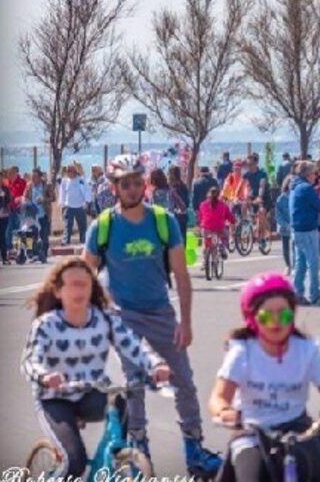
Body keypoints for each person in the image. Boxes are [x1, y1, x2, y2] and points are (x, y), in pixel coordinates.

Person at [82, 154, 222, 477]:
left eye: (137, 182)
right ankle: (139, 446)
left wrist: (185, 322)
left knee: (183, 381)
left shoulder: (163, 220)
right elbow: (82, 273)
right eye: (126, 183)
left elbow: (181, 275)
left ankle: (194, 447)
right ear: (115, 187)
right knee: (134, 383)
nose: (133, 189)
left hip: (160, 311)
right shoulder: (103, 226)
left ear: (144, 184)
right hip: (123, 315)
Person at [20, 257, 171, 478]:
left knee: (121, 401)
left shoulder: (104, 320)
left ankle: (114, 458)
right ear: (58, 291)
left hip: (90, 392)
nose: (79, 290)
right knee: (75, 461)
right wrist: (44, 375)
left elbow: (132, 345)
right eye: (72, 284)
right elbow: (30, 361)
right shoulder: (46, 325)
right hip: (55, 399)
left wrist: (155, 365)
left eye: (84, 284)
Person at [208, 274, 320, 482]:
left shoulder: (306, 350)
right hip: (252, 433)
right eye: (267, 316)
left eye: (284, 315)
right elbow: (219, 397)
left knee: (317, 471)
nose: (276, 322)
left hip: (297, 430)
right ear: (253, 318)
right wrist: (226, 413)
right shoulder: (242, 352)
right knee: (251, 474)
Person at [289, 162, 320, 306]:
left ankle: (297, 293)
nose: (316, 176)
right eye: (313, 173)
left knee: (300, 264)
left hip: (298, 229)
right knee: (314, 262)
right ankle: (315, 295)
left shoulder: (294, 187)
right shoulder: (306, 188)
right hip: (307, 229)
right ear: (307, 174)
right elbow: (319, 206)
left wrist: (319, 227)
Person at [24, 168, 55, 262]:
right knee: (31, 235)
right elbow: (25, 197)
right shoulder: (29, 185)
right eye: (32, 176)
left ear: (40, 177)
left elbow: (53, 198)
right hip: (32, 215)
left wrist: (44, 199)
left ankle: (43, 255)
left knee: (44, 236)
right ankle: (32, 254)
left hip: (44, 215)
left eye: (35, 176)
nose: (33, 178)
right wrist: (27, 202)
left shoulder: (46, 185)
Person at [197, 187, 236, 259]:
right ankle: (222, 247)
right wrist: (233, 221)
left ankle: (204, 262)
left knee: (206, 244)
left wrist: (200, 225)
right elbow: (229, 216)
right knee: (225, 236)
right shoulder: (223, 205)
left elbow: (200, 217)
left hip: (207, 228)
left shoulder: (203, 205)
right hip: (219, 228)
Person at [59, 164, 91, 245]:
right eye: (67, 171)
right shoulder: (64, 181)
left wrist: (87, 202)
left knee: (82, 226)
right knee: (67, 225)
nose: (68, 172)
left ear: (74, 171)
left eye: (70, 171)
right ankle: (66, 241)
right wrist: (62, 204)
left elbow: (86, 191)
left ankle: (83, 241)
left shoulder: (81, 180)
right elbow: (62, 193)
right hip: (68, 206)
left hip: (80, 206)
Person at [4, 165, 27, 249]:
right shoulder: (6, 183)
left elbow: (27, 194)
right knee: (8, 230)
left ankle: (22, 249)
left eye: (11, 173)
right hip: (9, 210)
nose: (9, 175)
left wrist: (21, 198)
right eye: (8, 173)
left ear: (16, 173)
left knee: (21, 228)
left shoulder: (22, 182)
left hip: (20, 209)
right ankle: (9, 249)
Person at [275, 176, 294, 275]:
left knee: (296, 246)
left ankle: (296, 265)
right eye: (290, 182)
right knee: (285, 247)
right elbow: (278, 213)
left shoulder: (298, 196)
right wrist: (284, 224)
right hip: (285, 227)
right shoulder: (282, 198)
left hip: (296, 226)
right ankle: (288, 265)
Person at [168, 166, 190, 242]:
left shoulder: (171, 187)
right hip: (183, 215)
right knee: (183, 236)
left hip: (174, 215)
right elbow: (187, 202)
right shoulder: (183, 186)